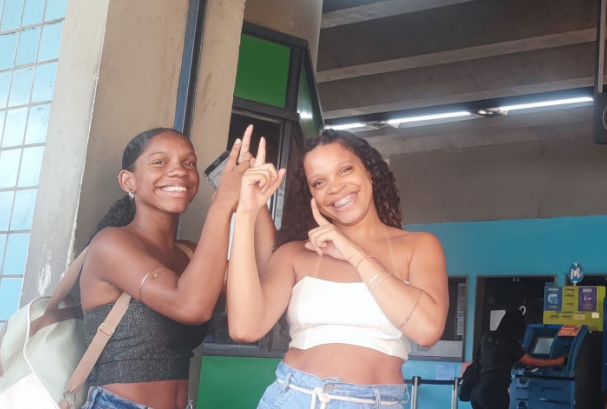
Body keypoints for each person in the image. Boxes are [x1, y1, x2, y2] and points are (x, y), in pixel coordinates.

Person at [227, 129, 450, 408]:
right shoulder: (295, 253)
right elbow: (244, 329)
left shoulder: (419, 246)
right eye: (319, 182)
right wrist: (247, 213)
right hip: (295, 396)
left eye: (345, 169)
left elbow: (427, 330)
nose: (335, 188)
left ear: (369, 171)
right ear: (310, 194)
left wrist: (353, 253)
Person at [79, 126, 266, 409]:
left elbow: (260, 275)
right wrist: (222, 205)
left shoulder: (189, 253)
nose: (179, 171)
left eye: (188, 163)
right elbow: (190, 306)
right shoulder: (110, 244)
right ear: (128, 181)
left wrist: (253, 203)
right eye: (159, 162)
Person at [470, 310, 566, 409]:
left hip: (477, 392)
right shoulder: (510, 344)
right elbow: (533, 361)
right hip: (494, 393)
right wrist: (558, 361)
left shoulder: (487, 336)